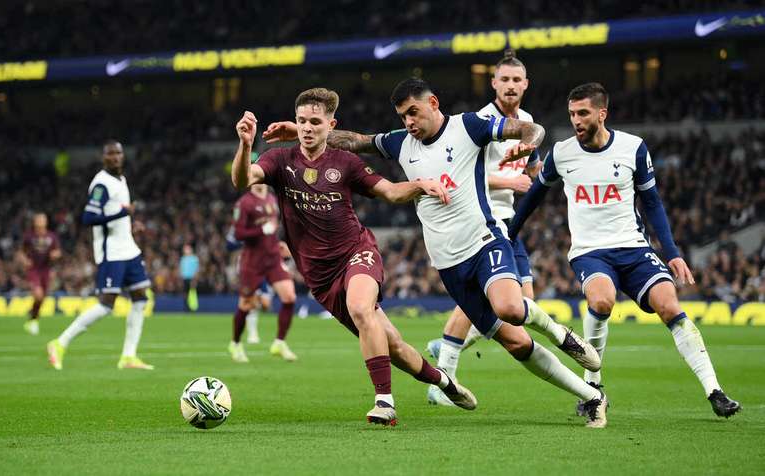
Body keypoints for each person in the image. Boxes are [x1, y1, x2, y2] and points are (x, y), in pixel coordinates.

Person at [265, 79, 608, 428]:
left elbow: (531, 128)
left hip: (483, 240)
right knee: (516, 344)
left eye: (413, 112)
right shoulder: (401, 143)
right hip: (447, 263)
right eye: (402, 116)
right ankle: (592, 397)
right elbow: (356, 141)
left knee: (509, 307)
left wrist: (528, 144)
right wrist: (299, 130)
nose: (409, 122)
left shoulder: (468, 126)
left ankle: (559, 333)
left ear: (433, 102)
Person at [232, 87, 477, 426]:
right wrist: (246, 145)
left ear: (331, 125)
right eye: (301, 120)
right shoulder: (279, 160)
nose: (306, 128)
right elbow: (243, 179)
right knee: (394, 346)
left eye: (315, 122)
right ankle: (443, 381)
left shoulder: (345, 162)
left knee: (361, 308)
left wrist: (421, 184)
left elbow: (390, 192)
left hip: (356, 252)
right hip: (320, 276)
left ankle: (384, 403)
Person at [509, 82, 740, 418]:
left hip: (633, 247)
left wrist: (672, 252)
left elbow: (653, 203)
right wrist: (510, 233)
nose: (576, 120)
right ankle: (594, 386)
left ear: (602, 113)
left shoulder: (633, 149)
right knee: (601, 300)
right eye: (572, 113)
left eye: (583, 113)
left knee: (669, 305)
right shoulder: (562, 153)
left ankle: (715, 391)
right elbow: (534, 197)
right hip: (590, 251)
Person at [423, 50, 543, 406]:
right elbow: (464, 178)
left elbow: (532, 167)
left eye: (515, 80)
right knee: (486, 301)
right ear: (493, 83)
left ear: (525, 84)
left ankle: (448, 345)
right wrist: (510, 182)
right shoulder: (479, 122)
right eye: (503, 80)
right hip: (483, 220)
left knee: (523, 305)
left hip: (508, 221)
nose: (509, 86)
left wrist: (541, 172)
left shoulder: (527, 120)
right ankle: (444, 374)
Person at [47, 140, 154, 371]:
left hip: (129, 248)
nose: (115, 157)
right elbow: (88, 218)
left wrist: (130, 224)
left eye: (118, 153)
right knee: (106, 305)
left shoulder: (121, 180)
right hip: (112, 253)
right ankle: (59, 342)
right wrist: (121, 213)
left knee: (140, 298)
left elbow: (116, 215)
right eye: (110, 154)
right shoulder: (101, 184)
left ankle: (128, 356)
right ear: (103, 157)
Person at [229, 183, 298, 362]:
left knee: (289, 297)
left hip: (273, 258)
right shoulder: (244, 203)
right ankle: (235, 344)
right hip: (252, 261)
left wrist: (278, 243)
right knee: (247, 305)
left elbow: (273, 229)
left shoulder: (272, 198)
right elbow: (238, 233)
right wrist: (261, 230)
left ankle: (279, 343)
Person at [21, 213, 61, 335]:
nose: (40, 222)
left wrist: (55, 255)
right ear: (34, 222)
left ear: (46, 222)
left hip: (46, 270)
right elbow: (21, 252)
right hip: (34, 269)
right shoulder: (29, 236)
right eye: (38, 219)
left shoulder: (51, 236)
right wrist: (25, 260)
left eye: (42, 219)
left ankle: (32, 320)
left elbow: (58, 251)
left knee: (42, 297)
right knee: (38, 295)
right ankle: (33, 320)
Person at [179, 244, 199, 311]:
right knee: (185, 293)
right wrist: (181, 278)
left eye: (187, 249)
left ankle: (193, 307)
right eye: (185, 249)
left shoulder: (194, 258)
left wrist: (195, 279)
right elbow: (181, 269)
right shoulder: (183, 259)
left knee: (192, 293)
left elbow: (196, 269)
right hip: (185, 278)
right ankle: (186, 306)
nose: (186, 251)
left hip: (191, 278)